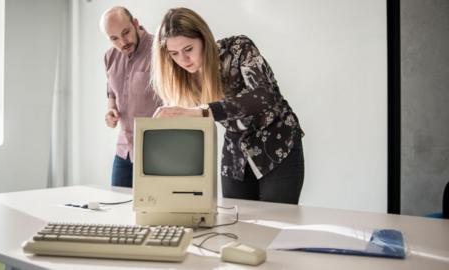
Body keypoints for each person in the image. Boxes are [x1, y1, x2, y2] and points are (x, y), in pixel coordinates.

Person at [152, 7, 305, 204]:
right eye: (174, 53)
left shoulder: (239, 48)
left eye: (188, 49)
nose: (183, 60)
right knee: (236, 223)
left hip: (278, 143)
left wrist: (202, 111)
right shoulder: (183, 78)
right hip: (235, 153)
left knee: (276, 220)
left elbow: (263, 95)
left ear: (204, 39)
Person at [100, 6, 161, 187]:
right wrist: (111, 110)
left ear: (135, 23)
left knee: (151, 213)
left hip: (155, 152)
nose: (122, 42)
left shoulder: (160, 52)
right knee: (117, 208)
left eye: (125, 32)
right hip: (124, 151)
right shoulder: (109, 57)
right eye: (114, 39)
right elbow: (112, 92)